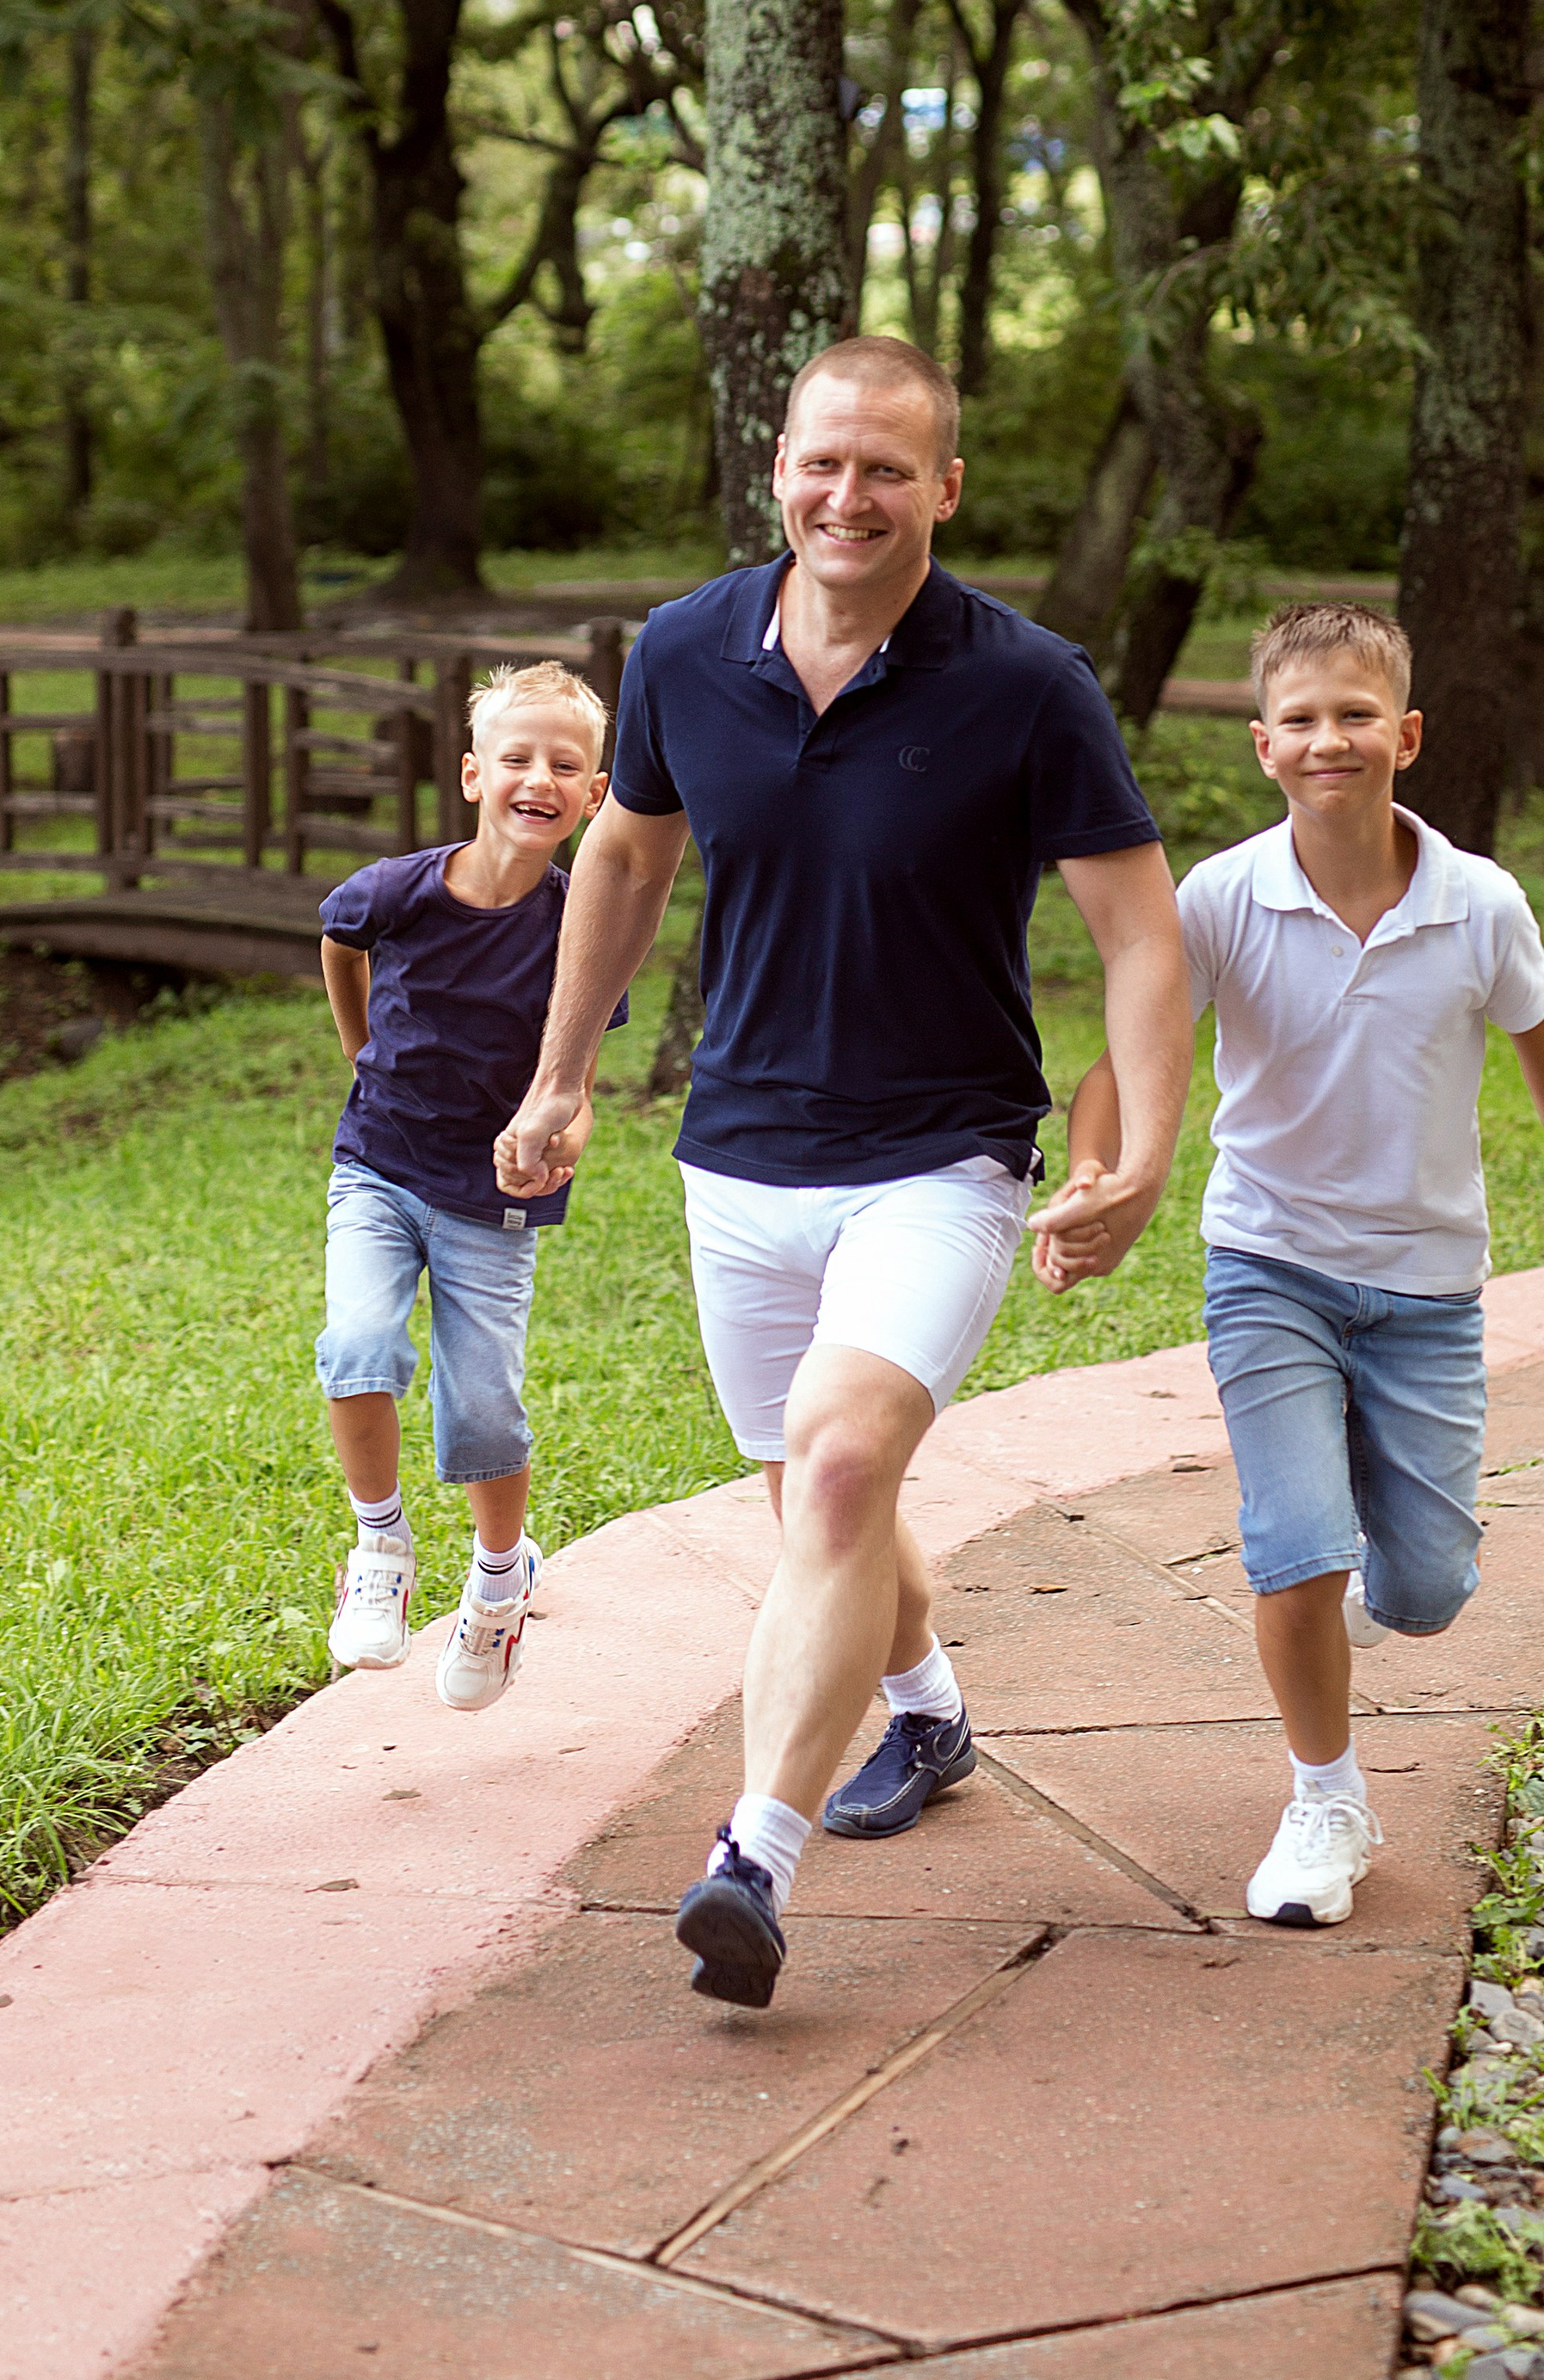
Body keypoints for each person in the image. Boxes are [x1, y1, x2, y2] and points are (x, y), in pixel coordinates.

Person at [499, 333, 1192, 2008]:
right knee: (821, 1498)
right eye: (822, 461)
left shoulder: (1025, 683)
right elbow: (626, 851)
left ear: (942, 488)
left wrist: (1147, 1153)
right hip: (736, 1156)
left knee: (830, 1479)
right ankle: (930, 1711)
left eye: (887, 467)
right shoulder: (681, 652)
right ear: (777, 471)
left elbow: (1139, 929)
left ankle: (751, 1859)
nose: (847, 493)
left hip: (936, 1158)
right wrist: (563, 1073)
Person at [1037, 599, 1544, 1928]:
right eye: (1304, 720)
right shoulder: (1218, 897)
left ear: (1409, 733)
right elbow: (1124, 1059)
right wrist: (1097, 1171)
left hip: (1429, 1293)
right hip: (1266, 1265)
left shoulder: (1479, 904)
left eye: (1357, 714)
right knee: (1295, 1547)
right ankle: (1327, 1800)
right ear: (1263, 745)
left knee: (1428, 1588)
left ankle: (1374, 1583)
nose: (1332, 739)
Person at [315, 661, 617, 1713]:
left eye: (565, 765)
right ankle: (380, 1548)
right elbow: (339, 942)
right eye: (518, 757)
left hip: (494, 1201)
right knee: (357, 1345)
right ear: (473, 774)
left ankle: (498, 1582)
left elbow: (575, 1077)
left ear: (592, 795)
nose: (539, 777)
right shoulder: (400, 887)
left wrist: (565, 1132)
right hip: (381, 1165)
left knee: (482, 1406)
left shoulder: (584, 925)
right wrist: (359, 1046)